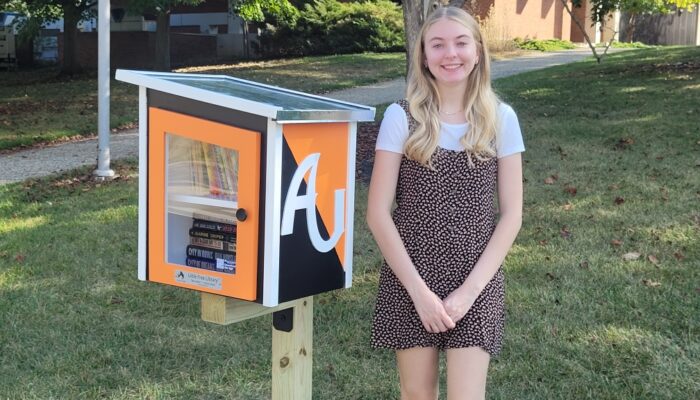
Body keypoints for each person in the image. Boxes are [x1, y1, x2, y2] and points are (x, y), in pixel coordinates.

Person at [366, 6, 524, 400]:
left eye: (460, 43)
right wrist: (419, 293)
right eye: (437, 45)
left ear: (478, 51)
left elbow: (512, 216)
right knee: (417, 394)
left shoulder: (501, 119)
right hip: (411, 278)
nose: (450, 54)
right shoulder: (401, 117)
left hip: (476, 279)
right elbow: (378, 213)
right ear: (423, 56)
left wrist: (469, 292)